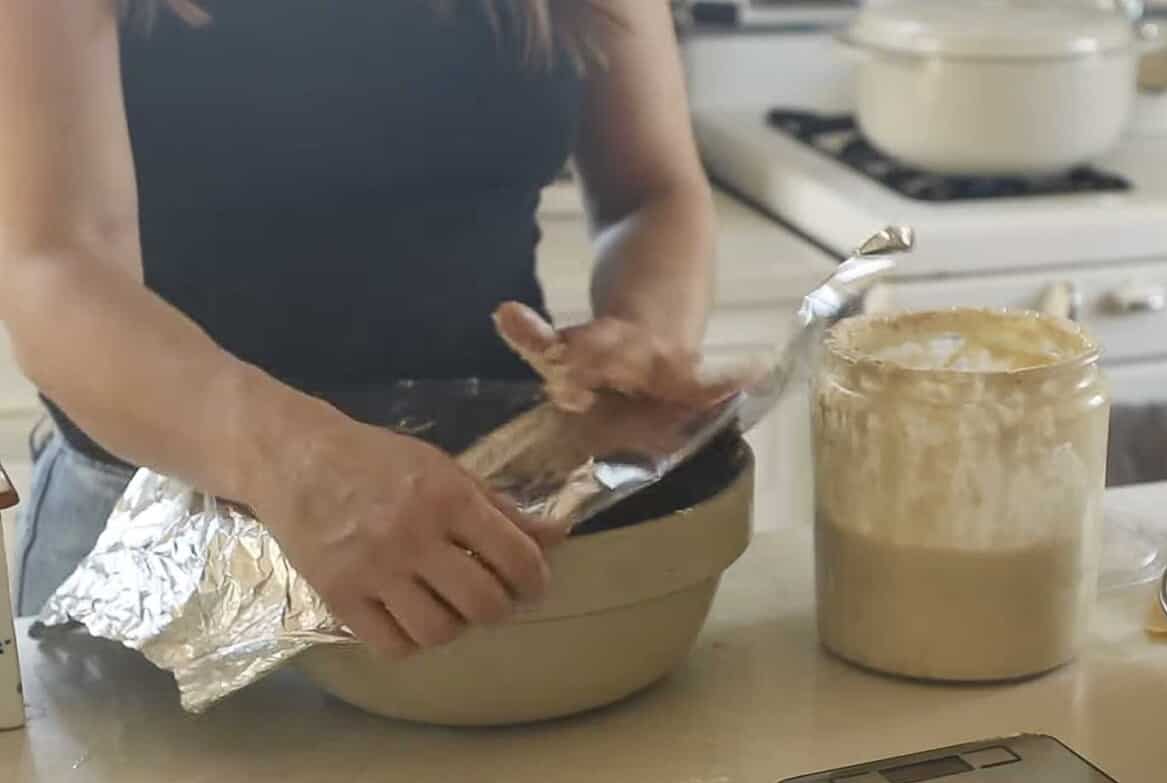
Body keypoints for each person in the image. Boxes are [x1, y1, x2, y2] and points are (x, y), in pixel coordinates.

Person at [0, 0, 721, 656]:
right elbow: (55, 263)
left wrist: (641, 331)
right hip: (157, 530)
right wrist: (286, 458)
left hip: (484, 521)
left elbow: (652, 193)